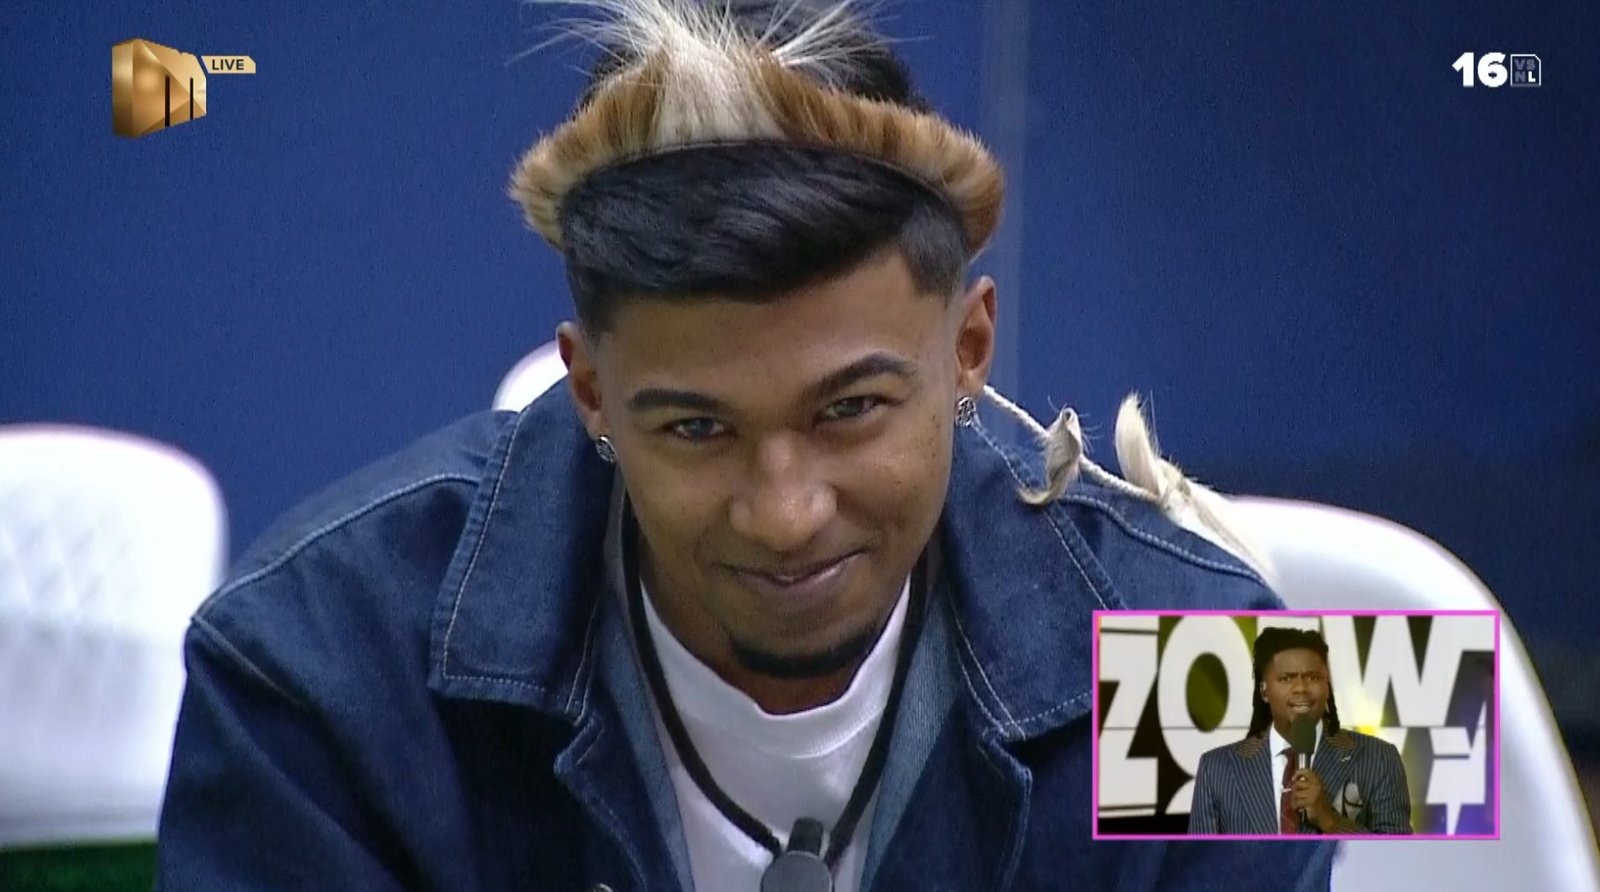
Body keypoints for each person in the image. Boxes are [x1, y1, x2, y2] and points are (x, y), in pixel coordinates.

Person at [156, 1, 1336, 888]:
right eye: (697, 428)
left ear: (969, 348)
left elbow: (1365, 783)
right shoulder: (315, 666)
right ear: (589, 388)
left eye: (850, 410)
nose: (784, 512)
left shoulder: (1236, 660)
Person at [1188, 627, 1414, 835]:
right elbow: (1200, 861)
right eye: (1286, 678)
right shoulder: (1216, 770)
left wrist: (1330, 821)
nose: (1301, 688)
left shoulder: (1379, 759)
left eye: (1313, 677)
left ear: (1327, 686)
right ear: (1264, 691)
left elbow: (1398, 856)